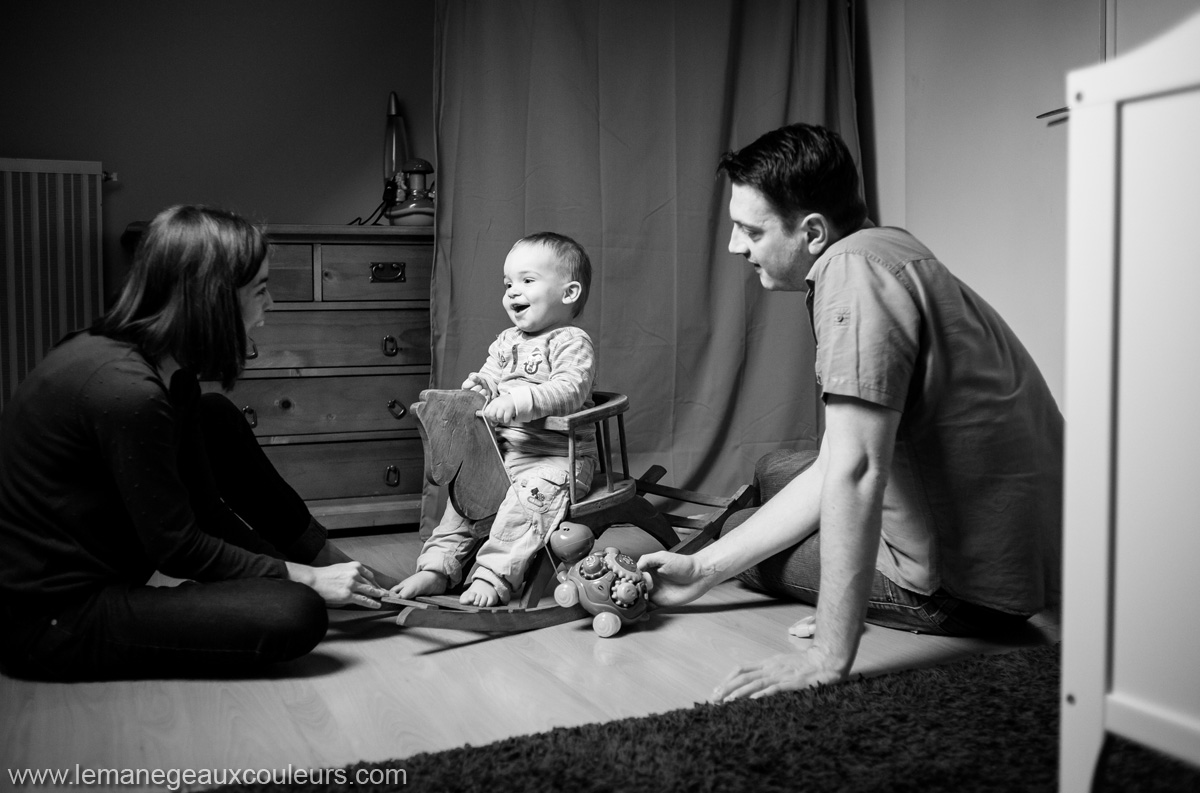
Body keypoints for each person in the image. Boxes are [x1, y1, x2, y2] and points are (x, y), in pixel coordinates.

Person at [637, 124, 1063, 701]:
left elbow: (857, 471)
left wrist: (828, 653)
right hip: (1031, 547)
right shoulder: (884, 246)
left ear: (812, 231)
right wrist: (699, 572)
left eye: (749, 230)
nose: (736, 246)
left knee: (740, 527)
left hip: (967, 592)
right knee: (776, 469)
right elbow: (841, 456)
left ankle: (872, 599)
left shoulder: (850, 276)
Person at [0, 205, 391, 681]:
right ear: (213, 298)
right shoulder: (125, 390)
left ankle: (346, 574)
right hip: (51, 618)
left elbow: (209, 513)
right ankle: (318, 576)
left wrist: (307, 569)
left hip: (109, 568)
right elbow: (178, 547)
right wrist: (303, 580)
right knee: (296, 612)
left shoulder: (168, 371)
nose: (271, 302)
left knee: (215, 416)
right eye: (261, 289)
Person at [391, 232, 598, 607]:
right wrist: (481, 386)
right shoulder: (506, 341)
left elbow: (571, 389)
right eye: (507, 284)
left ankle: (493, 575)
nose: (513, 292)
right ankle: (438, 568)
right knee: (464, 498)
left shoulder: (571, 341)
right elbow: (491, 375)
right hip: (504, 454)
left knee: (524, 506)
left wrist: (520, 400)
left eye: (527, 281)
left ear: (568, 293)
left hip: (556, 462)